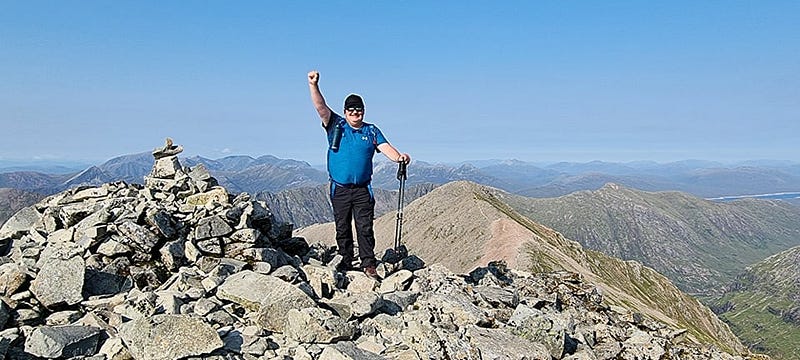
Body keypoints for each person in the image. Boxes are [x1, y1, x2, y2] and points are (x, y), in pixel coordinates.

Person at [307, 70, 411, 278]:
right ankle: (345, 262)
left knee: (365, 227)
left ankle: (368, 264)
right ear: (345, 111)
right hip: (340, 188)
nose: (355, 112)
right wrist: (313, 85)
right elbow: (320, 107)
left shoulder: (371, 131)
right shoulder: (336, 125)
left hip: (363, 188)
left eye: (359, 109)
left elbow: (385, 147)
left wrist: (400, 157)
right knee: (342, 227)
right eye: (351, 109)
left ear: (363, 111)